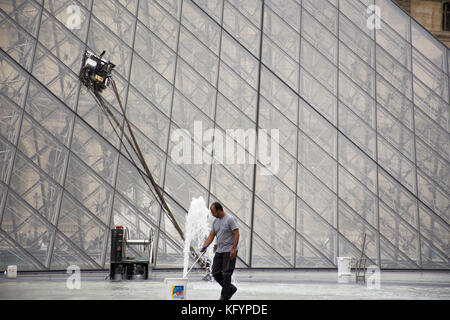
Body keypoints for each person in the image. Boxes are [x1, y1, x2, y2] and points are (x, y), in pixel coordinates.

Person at [201, 202, 239, 300]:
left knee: (227, 274)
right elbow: (211, 235)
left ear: (219, 210)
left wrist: (233, 249)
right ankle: (230, 288)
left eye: (213, 212)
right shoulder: (215, 222)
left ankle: (224, 297)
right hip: (220, 250)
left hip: (229, 250)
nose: (212, 214)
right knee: (215, 272)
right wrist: (205, 246)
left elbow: (236, 234)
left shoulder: (230, 219)